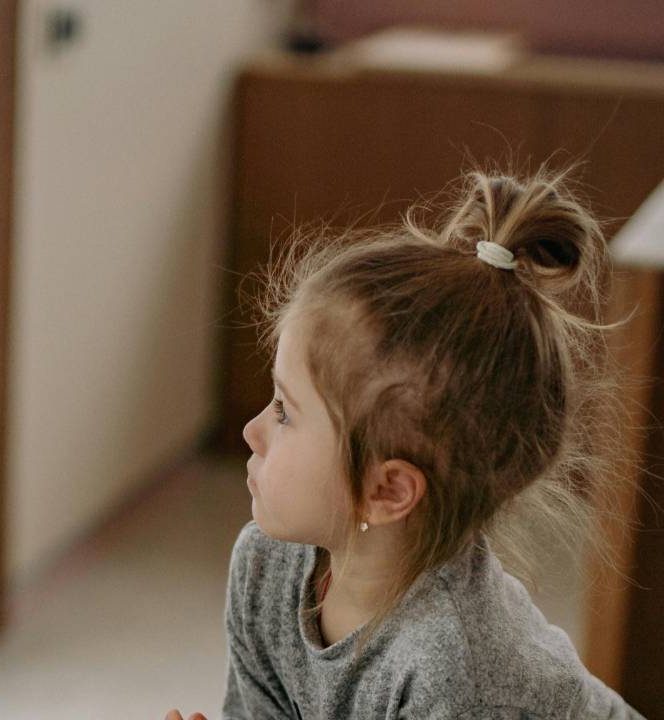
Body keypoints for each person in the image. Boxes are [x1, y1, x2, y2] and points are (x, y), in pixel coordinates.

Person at [168, 170, 644, 719]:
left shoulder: (455, 672)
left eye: (284, 410)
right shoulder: (266, 566)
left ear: (387, 489)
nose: (252, 431)